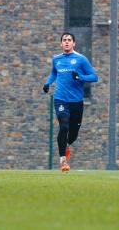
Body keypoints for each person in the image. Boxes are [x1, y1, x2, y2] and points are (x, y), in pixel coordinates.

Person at [43, 32, 98, 172]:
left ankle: (67, 145)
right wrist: (48, 83)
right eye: (64, 40)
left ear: (74, 43)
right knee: (63, 126)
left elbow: (94, 77)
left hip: (77, 101)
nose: (66, 42)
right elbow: (54, 73)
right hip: (60, 99)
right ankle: (63, 160)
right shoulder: (56, 59)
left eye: (69, 40)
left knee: (72, 135)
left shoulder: (81, 59)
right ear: (61, 43)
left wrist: (80, 77)